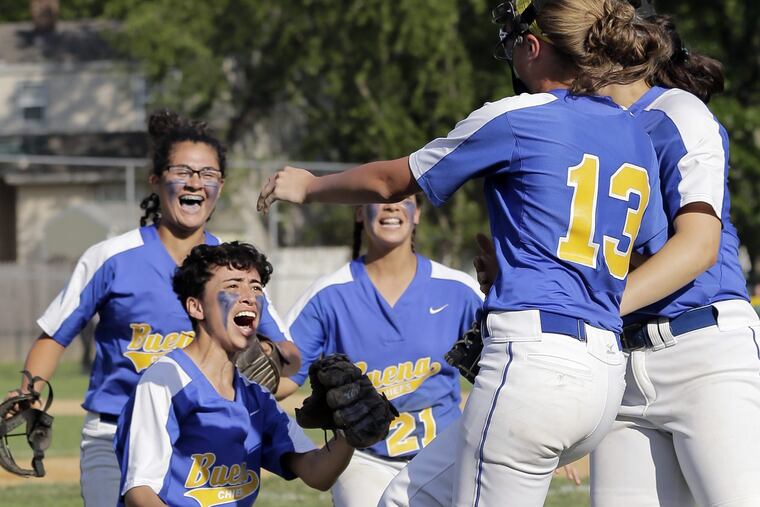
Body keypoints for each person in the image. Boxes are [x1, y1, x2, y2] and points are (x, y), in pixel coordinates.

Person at [257, 0, 671, 503]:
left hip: (534, 363)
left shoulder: (517, 116)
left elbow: (392, 181)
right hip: (605, 374)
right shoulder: (633, 130)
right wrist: (522, 266)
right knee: (403, 499)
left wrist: (308, 186)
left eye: (516, 37)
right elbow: (645, 256)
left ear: (534, 47)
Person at [3, 110, 299, 506]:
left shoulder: (233, 267)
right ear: (156, 179)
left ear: (221, 185)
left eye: (208, 173)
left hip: (199, 434)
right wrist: (29, 392)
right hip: (113, 436)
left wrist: (268, 356)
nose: (195, 181)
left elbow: (290, 356)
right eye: (182, 170)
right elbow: (55, 336)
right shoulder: (112, 256)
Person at [588, 11, 760, 507]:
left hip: (701, 351)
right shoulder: (581, 129)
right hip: (620, 364)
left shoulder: (677, 111)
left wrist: (589, 309)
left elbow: (698, 247)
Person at [276, 194, 483, 507]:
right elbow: (283, 380)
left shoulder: (457, 288)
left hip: (444, 453)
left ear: (417, 214)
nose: (391, 205)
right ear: (360, 212)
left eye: (403, 198)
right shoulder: (328, 294)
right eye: (378, 198)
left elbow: (508, 364)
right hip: (363, 457)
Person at [115, 241, 355, 507]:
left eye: (256, 287)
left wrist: (348, 432)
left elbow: (316, 472)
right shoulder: (164, 381)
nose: (249, 296)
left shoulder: (255, 396)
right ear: (196, 307)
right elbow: (140, 493)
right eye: (232, 285)